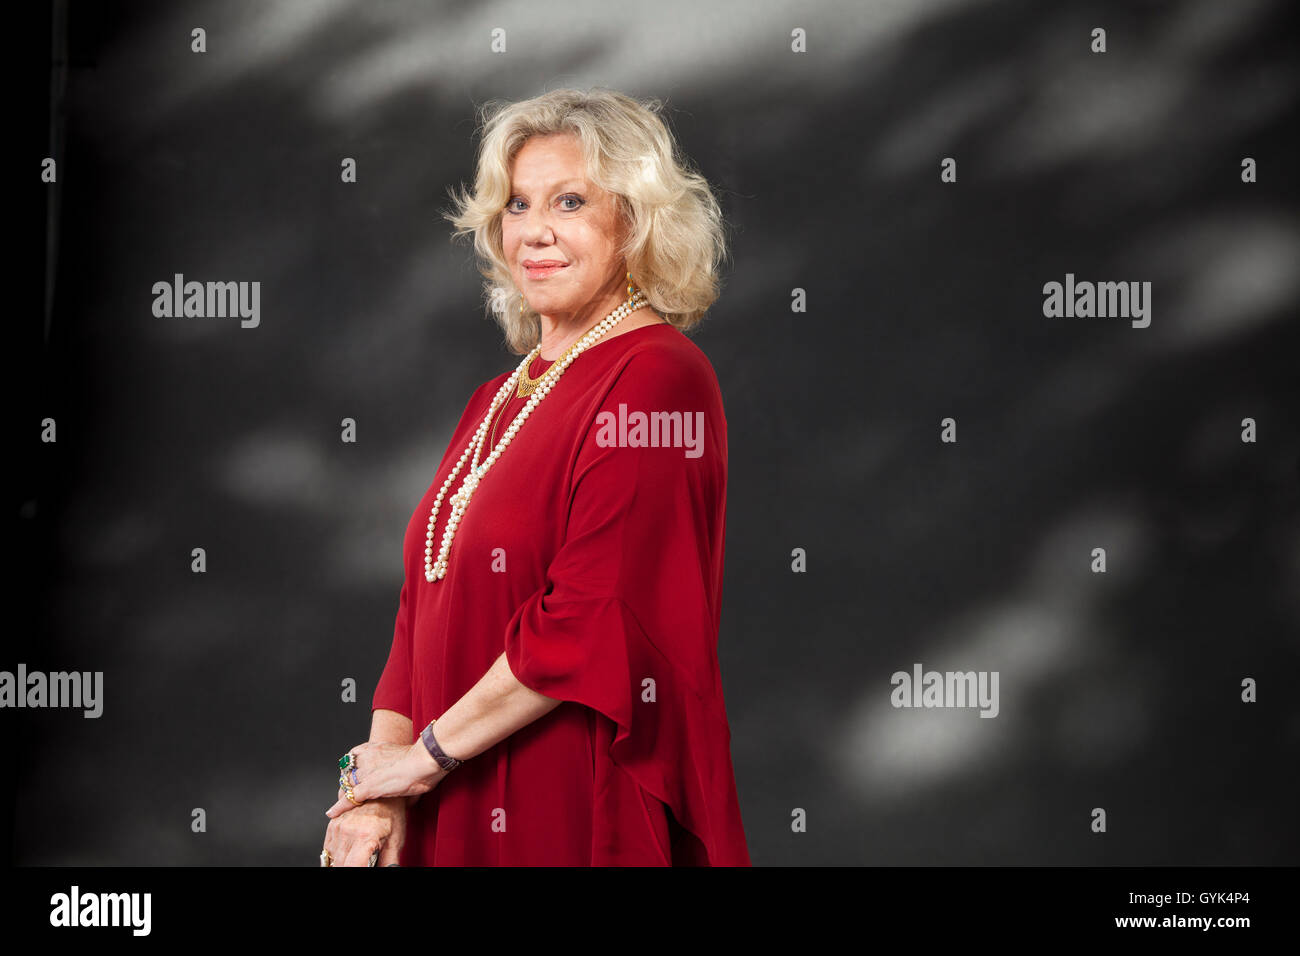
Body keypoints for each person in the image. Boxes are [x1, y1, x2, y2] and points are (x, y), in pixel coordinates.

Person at [319, 87, 750, 866]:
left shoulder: (658, 377)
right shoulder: (498, 399)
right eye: (517, 204)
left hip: (564, 799)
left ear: (636, 219)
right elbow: (420, 612)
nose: (536, 232)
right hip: (448, 790)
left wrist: (419, 762)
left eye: (572, 201)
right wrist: (376, 790)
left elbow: (589, 615)